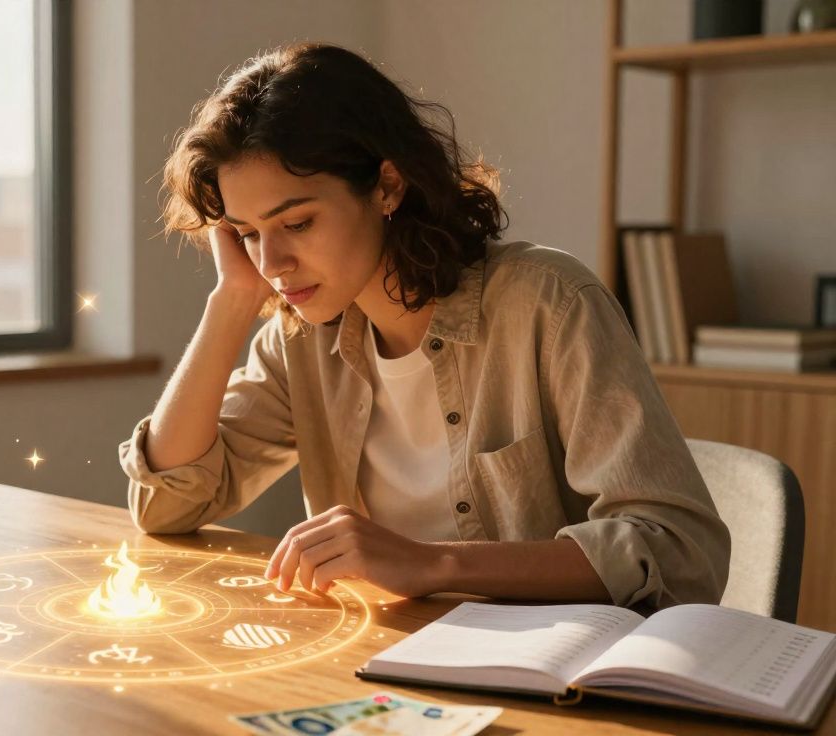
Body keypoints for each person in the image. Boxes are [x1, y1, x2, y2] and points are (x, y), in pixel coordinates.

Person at [118, 43, 729, 612]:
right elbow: (165, 505)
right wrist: (232, 299)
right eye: (249, 234)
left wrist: (432, 565)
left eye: (297, 223)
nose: (272, 264)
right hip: (387, 661)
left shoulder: (548, 302)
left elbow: (678, 550)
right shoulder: (300, 339)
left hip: (549, 683)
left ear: (387, 185)